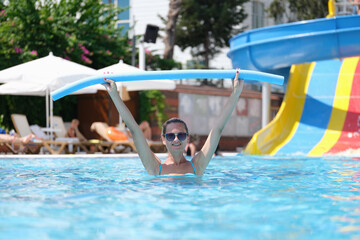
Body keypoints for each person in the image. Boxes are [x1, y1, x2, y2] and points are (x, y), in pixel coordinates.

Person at [102, 69, 243, 176]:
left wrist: (236, 93)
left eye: (181, 135)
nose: (176, 139)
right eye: (170, 136)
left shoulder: (197, 166)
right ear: (164, 139)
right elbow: (134, 129)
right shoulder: (155, 167)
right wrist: (114, 94)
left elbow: (218, 129)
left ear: (187, 138)